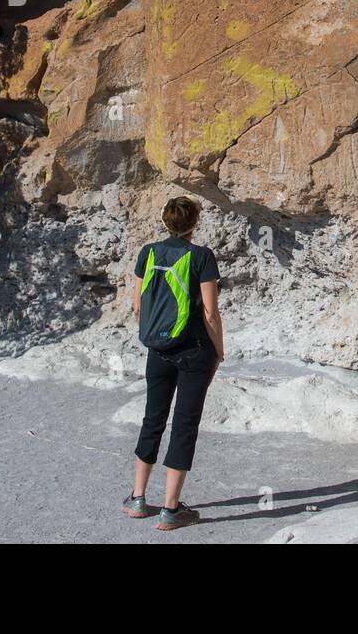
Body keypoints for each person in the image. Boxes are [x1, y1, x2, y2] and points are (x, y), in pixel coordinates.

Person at [121, 196, 223, 530]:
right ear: (195, 223)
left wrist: (157, 337)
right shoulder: (202, 257)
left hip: (158, 351)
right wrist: (218, 351)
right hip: (194, 350)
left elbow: (137, 306)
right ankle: (170, 509)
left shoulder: (148, 253)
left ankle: (137, 498)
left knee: (153, 418)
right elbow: (210, 313)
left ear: (165, 221)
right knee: (184, 425)